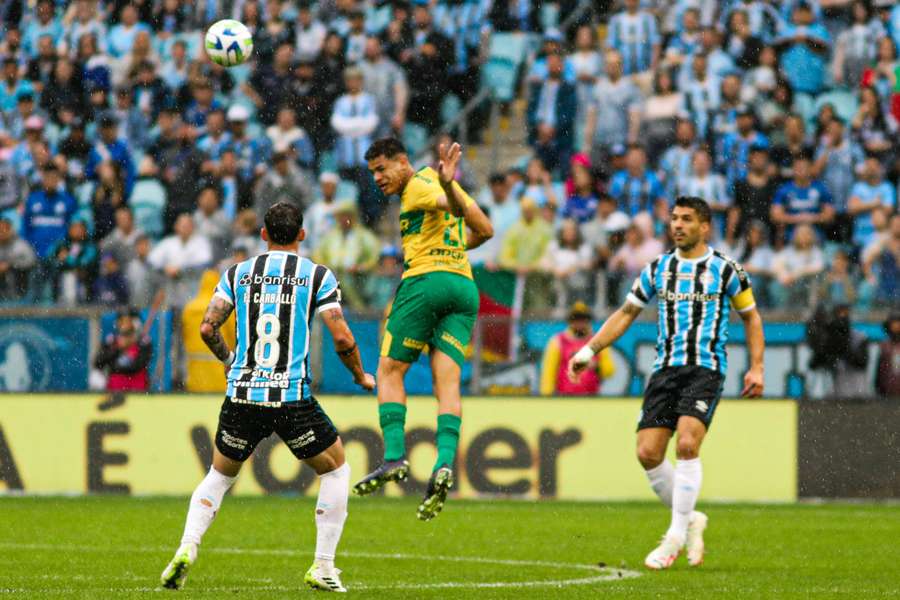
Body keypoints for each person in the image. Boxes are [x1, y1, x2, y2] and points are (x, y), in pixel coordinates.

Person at [159, 202, 375, 593]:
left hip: (242, 393)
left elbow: (208, 327)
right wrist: (361, 375)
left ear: (263, 234)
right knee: (336, 469)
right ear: (302, 235)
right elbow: (341, 336)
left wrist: (228, 359)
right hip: (291, 396)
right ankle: (323, 565)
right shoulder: (316, 275)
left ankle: (187, 548)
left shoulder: (238, 273)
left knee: (219, 476)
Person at [568, 196, 765, 570]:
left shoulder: (726, 270)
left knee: (688, 444)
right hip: (665, 370)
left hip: (705, 368)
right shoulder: (658, 268)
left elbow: (751, 318)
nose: (677, 225)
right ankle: (691, 519)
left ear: (704, 227)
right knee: (647, 453)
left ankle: (674, 536)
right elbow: (626, 313)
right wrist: (588, 350)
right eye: (674, 219)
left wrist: (756, 367)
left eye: (687, 220)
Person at [354, 138, 493, 520]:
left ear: (403, 161)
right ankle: (445, 462)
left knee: (388, 370)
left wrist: (447, 185)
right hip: (463, 288)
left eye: (382, 169)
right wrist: (456, 246)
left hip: (426, 282)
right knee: (446, 381)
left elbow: (446, 201)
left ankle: (395, 456)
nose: (378, 179)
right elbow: (484, 228)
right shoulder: (437, 180)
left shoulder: (418, 186)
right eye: (373, 173)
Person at [540, 301, 614, 396]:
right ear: (570, 321)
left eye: (583, 319)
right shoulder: (558, 342)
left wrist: (596, 367)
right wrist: (547, 396)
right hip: (564, 397)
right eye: (576, 319)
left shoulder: (598, 342)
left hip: (591, 397)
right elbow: (548, 373)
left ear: (588, 321)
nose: (579, 323)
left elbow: (609, 371)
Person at [93, 308, 152, 391]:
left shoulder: (143, 342)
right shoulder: (111, 341)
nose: (124, 324)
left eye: (127, 321)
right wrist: (118, 349)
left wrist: (131, 345)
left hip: (137, 388)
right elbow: (98, 362)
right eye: (121, 321)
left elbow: (140, 364)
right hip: (115, 389)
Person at [875, 312, 900, 398]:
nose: (896, 327)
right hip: (886, 391)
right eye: (894, 324)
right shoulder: (883, 346)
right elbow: (879, 369)